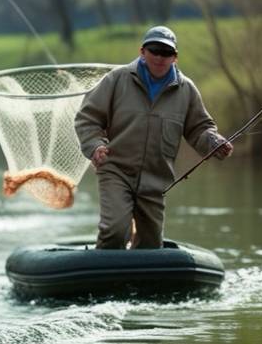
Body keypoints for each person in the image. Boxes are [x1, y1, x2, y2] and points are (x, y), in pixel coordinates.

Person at [75, 25, 233, 249]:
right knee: (115, 231)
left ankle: (139, 280)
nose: (159, 57)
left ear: (175, 58)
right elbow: (87, 118)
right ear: (142, 52)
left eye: (166, 53)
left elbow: (200, 128)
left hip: (156, 178)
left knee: (150, 243)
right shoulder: (116, 79)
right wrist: (95, 146)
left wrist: (214, 142)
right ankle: (105, 274)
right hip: (115, 169)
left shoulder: (186, 90)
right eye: (154, 50)